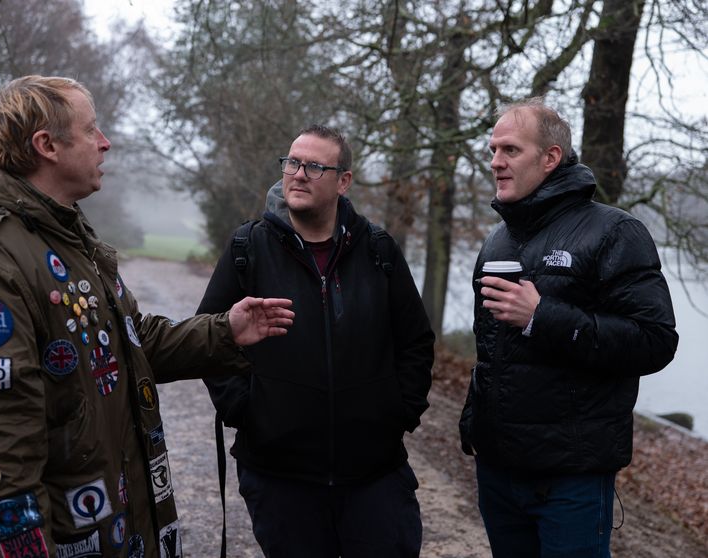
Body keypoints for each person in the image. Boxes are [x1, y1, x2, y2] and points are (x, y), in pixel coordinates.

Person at [0, 75, 294, 558]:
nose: (105, 142)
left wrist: (226, 331)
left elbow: (125, 343)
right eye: (91, 130)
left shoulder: (61, 235)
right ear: (47, 145)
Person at [197, 125, 435, 558]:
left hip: (374, 475)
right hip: (280, 478)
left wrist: (398, 412)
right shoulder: (248, 248)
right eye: (292, 163)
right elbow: (209, 335)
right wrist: (246, 410)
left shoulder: (378, 250)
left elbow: (415, 340)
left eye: (314, 167)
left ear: (344, 181)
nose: (298, 174)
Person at [459, 98, 678, 557]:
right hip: (498, 471)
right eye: (493, 150)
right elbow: (492, 353)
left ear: (550, 158)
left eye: (510, 150)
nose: (495, 161)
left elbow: (654, 341)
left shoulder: (615, 232)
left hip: (570, 479)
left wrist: (543, 318)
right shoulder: (498, 239)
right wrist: (475, 426)